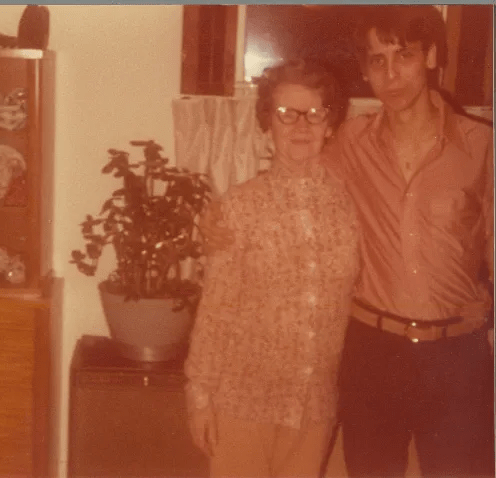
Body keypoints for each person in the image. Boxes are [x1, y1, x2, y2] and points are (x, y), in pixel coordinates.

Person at [200, 6, 494, 478]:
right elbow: (291, 169)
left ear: (431, 56)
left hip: (456, 356)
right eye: (378, 60)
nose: (391, 74)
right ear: (366, 71)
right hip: (373, 351)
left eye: (404, 56)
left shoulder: (482, 146)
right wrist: (212, 219)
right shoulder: (350, 143)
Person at [184, 58, 360, 478]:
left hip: (314, 407)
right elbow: (216, 310)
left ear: (330, 124)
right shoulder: (239, 206)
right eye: (286, 114)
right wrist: (199, 396)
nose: (301, 126)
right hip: (242, 404)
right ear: (268, 124)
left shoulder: (351, 205)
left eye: (314, 113)